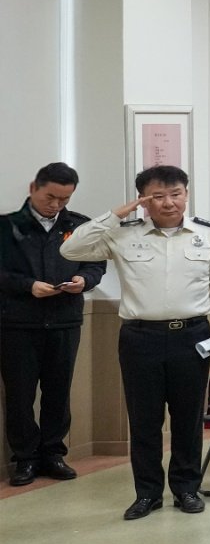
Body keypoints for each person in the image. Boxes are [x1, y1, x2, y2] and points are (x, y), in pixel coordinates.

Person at [61, 165, 210, 520]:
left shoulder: (207, 235)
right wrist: (116, 214)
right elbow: (71, 248)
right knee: (144, 420)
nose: (168, 202)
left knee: (188, 418)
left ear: (186, 195)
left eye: (176, 194)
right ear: (143, 200)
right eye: (158, 196)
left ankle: (186, 489)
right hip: (140, 337)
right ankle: (147, 493)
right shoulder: (123, 234)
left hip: (192, 335)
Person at [1, 162, 105, 485]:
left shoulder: (80, 225)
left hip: (64, 320)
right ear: (33, 188)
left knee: (58, 391)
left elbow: (96, 264)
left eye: (64, 199)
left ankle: (53, 454)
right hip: (18, 324)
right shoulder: (7, 226)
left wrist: (83, 280)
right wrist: (28, 286)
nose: (56, 205)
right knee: (20, 395)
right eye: (50, 197)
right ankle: (25, 459)